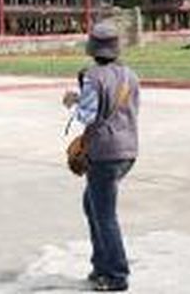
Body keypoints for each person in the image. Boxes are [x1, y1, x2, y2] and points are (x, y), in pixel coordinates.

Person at [63, 23, 140, 291]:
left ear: (93, 49)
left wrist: (74, 99)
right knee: (92, 205)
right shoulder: (131, 75)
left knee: (105, 214)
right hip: (128, 151)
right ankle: (100, 265)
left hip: (105, 154)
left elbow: (87, 115)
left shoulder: (93, 77)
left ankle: (116, 275)